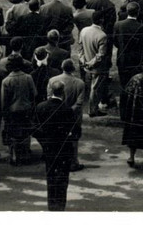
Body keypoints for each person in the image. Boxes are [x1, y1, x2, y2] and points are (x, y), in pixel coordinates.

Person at [32, 82, 79, 211]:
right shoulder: (68, 109)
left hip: (48, 149)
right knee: (63, 179)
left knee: (51, 177)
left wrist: (44, 141)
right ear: (63, 92)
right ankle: (60, 206)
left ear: (50, 91)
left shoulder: (41, 107)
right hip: (64, 149)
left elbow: (34, 128)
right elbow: (76, 132)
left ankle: (51, 206)